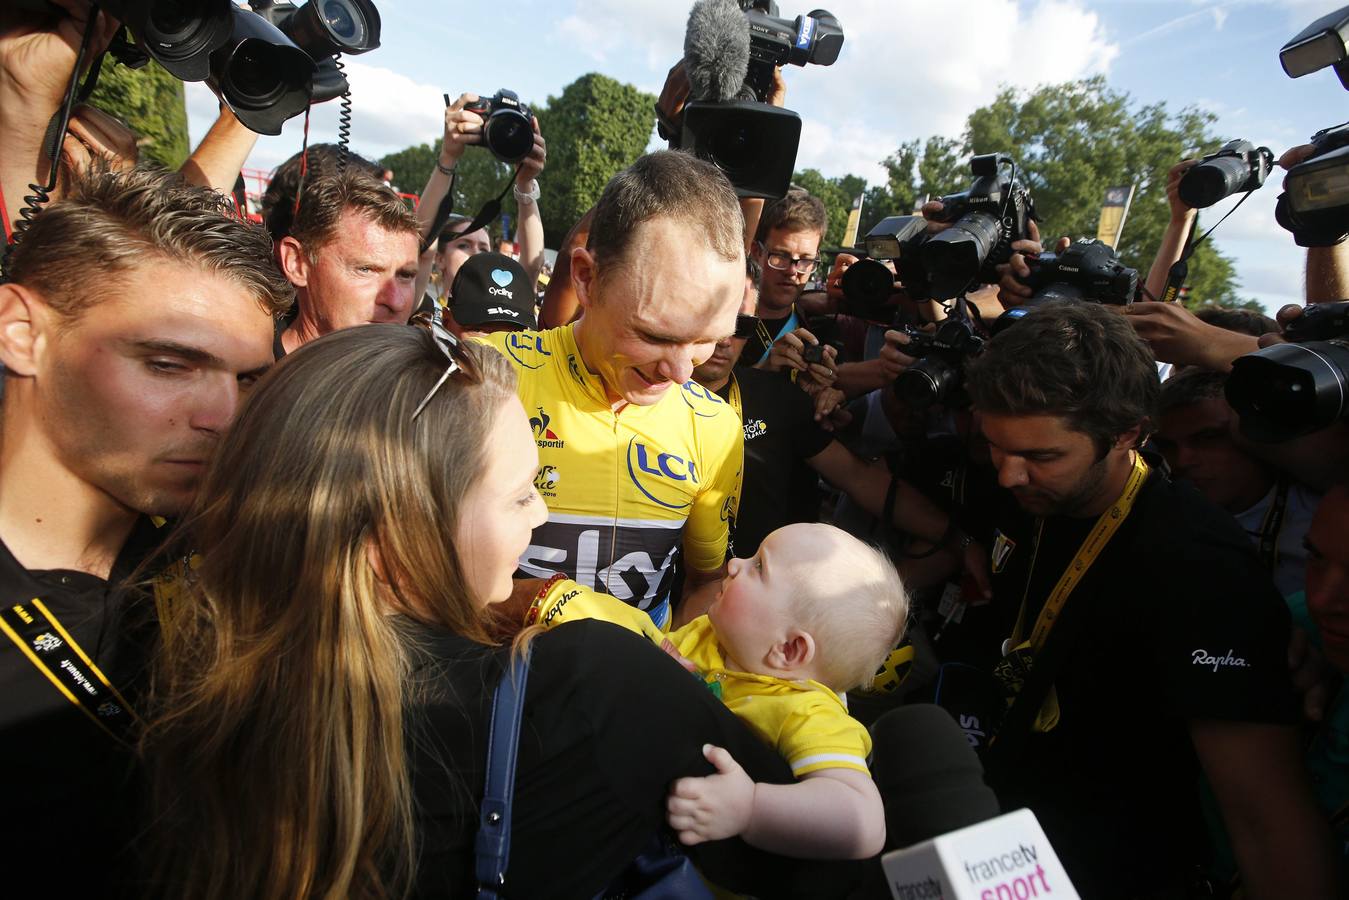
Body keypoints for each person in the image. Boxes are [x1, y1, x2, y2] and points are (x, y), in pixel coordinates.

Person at [145, 324, 849, 900]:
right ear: (397, 533)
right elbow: (835, 865)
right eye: (519, 496)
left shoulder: (170, 675)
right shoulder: (596, 687)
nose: (542, 515)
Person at [963, 301, 1340, 899]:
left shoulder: (1198, 567)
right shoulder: (1028, 492)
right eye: (994, 446)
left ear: (1128, 434)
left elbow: (1266, 820)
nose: (1008, 475)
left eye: (1041, 457)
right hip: (1002, 848)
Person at [0, 165, 292, 896]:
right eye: (168, 364)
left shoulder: (225, 565)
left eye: (247, 380)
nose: (222, 418)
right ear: (20, 332)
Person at [524, 521, 904, 859]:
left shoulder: (807, 713)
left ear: (789, 650)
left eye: (758, 567)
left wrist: (751, 809)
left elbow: (864, 823)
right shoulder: (712, 636)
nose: (735, 563)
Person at [478, 150, 746, 627]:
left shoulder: (715, 424)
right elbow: (408, 574)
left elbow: (704, 581)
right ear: (585, 277)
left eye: (709, 340)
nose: (683, 372)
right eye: (655, 335)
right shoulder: (482, 376)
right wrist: (540, 602)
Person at [1154, 367, 1318, 598]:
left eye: (1208, 438)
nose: (1183, 460)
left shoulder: (1321, 513)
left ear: (1254, 433)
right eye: (1167, 445)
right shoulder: (1155, 520)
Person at [274, 167, 422, 356]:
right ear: (297, 263)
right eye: (366, 270)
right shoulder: (244, 378)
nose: (396, 302)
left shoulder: (426, 379)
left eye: (406, 275)